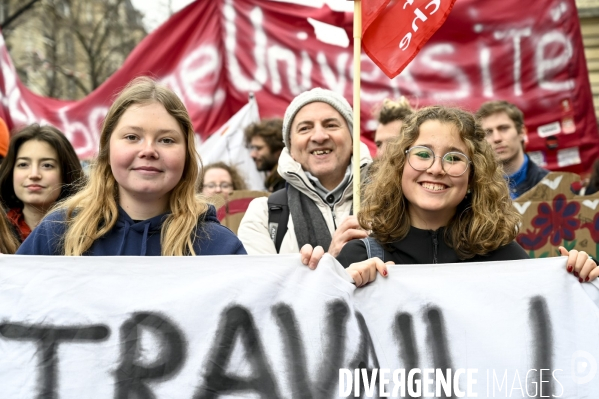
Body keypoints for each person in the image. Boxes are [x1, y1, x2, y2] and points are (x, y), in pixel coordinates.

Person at [300, 106, 597, 286]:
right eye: (423, 154)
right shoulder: (358, 257)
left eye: (454, 158)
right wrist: (335, 286)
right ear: (400, 166)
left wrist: (579, 280)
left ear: (472, 177)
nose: (436, 169)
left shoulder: (506, 258)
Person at [17, 77, 246, 256]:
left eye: (166, 140)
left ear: (186, 154)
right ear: (107, 149)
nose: (148, 150)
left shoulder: (219, 247)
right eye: (131, 137)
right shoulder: (58, 232)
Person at [238, 87, 372, 255]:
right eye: (304, 128)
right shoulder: (264, 215)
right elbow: (264, 281)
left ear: (352, 140)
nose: (319, 136)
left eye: (331, 125)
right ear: (290, 147)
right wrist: (332, 262)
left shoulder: (392, 207)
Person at [0, 124, 84, 243]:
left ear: (66, 173)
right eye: (23, 164)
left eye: (47, 165)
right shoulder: (2, 231)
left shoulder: (88, 233)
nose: (34, 174)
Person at [475, 100, 549, 199]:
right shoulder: (475, 192)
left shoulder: (553, 184)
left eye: (503, 128)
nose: (497, 138)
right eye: (488, 132)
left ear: (522, 132)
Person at [244, 118, 285, 192]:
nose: (252, 155)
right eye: (252, 148)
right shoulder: (275, 183)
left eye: (258, 148)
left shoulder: (289, 183)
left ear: (278, 149)